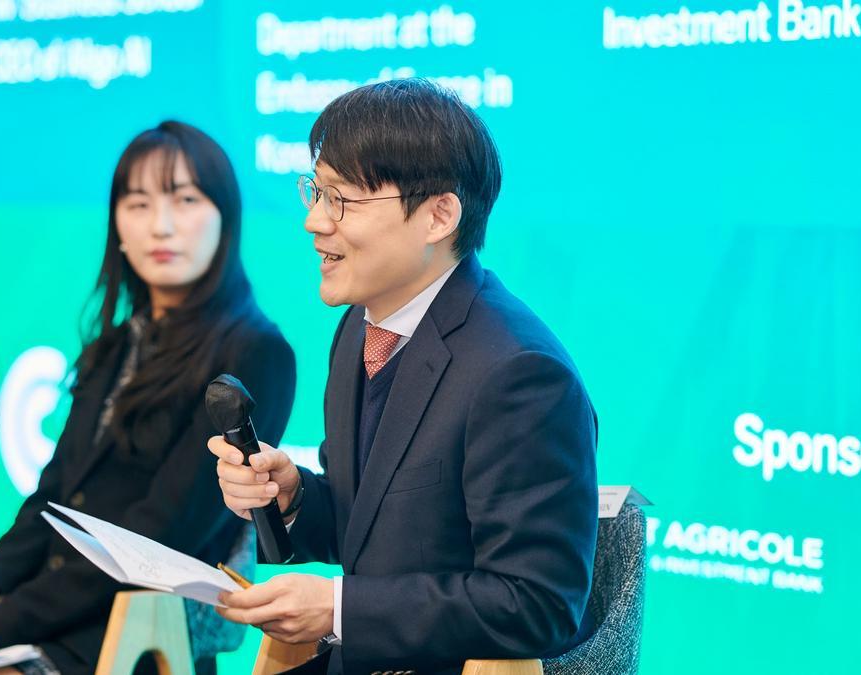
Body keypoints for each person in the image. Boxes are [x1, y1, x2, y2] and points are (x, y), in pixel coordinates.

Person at [209, 79, 599, 675]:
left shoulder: (520, 375)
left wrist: (339, 608)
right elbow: (371, 528)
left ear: (439, 215)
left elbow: (536, 604)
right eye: (317, 192)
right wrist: (292, 498)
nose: (314, 221)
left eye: (342, 200)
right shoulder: (360, 328)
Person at [0, 121, 297, 675]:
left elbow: (164, 532)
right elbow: (53, 496)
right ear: (117, 226)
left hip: (136, 636)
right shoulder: (114, 345)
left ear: (225, 217)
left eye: (184, 200)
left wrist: (4, 619)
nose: (160, 225)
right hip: (51, 619)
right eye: (138, 204)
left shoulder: (256, 352)